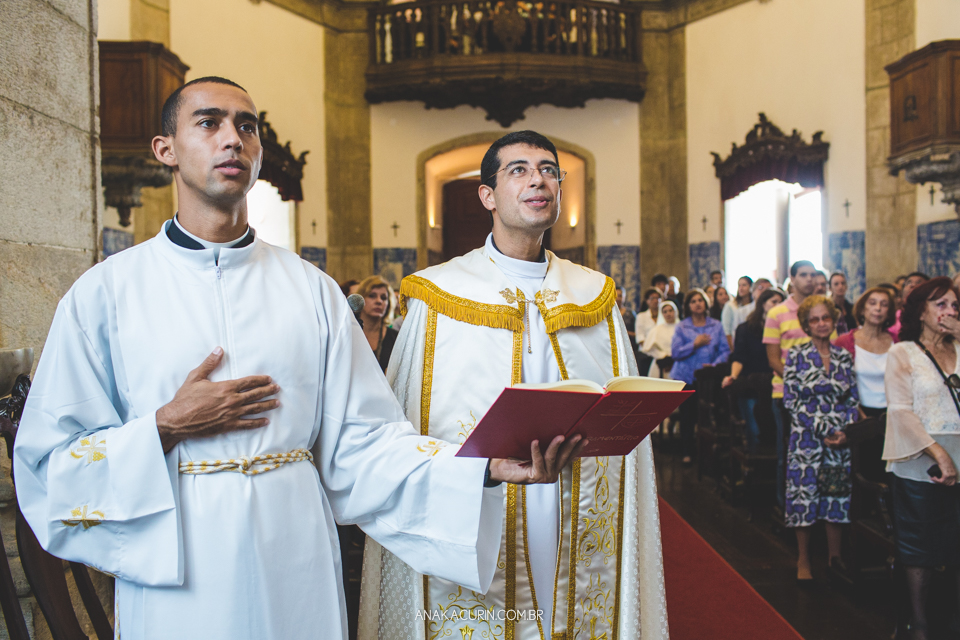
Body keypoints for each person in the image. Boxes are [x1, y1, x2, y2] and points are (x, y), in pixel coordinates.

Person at [12, 79, 580, 640]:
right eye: (209, 123)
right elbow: (49, 463)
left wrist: (477, 468)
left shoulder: (311, 291)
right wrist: (164, 426)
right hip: (180, 566)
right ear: (166, 150)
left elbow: (366, 443)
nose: (232, 139)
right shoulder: (105, 294)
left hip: (295, 556)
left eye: (247, 127)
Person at [359, 131, 668, 640]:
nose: (537, 179)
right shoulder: (439, 295)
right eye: (518, 170)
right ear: (488, 195)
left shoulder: (593, 294)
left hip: (576, 498)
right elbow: (403, 422)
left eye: (548, 169)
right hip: (483, 502)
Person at [882, 277, 960, 640]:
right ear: (921, 311)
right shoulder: (903, 352)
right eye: (940, 304)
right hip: (920, 458)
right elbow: (901, 413)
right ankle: (918, 623)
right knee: (919, 545)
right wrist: (940, 453)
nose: (950, 310)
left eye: (954, 304)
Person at [783, 295, 860, 582]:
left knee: (836, 496)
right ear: (806, 324)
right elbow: (790, 401)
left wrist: (844, 431)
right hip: (807, 438)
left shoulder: (842, 356)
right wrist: (822, 430)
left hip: (839, 439)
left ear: (834, 320)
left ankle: (834, 558)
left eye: (825, 318)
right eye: (814, 319)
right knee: (804, 496)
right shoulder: (796, 355)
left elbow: (853, 398)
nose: (821, 324)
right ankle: (803, 558)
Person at [764, 260, 821, 508]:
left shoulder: (821, 310)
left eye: (812, 275)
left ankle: (814, 504)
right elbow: (774, 360)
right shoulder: (777, 313)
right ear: (793, 278)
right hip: (786, 392)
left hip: (820, 393)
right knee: (788, 452)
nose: (809, 279)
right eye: (804, 275)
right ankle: (786, 505)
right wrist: (801, 382)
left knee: (817, 453)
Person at [671, 289, 731, 465]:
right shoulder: (682, 326)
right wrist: (694, 344)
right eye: (693, 301)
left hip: (709, 379)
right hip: (686, 377)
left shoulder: (716, 325)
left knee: (708, 416)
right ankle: (687, 452)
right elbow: (675, 353)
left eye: (700, 300)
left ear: (706, 304)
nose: (697, 303)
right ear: (688, 306)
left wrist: (714, 365)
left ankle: (708, 455)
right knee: (687, 416)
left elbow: (725, 351)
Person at [723, 288, 786, 452]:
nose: (778, 306)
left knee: (779, 432)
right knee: (755, 431)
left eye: (781, 302)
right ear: (762, 304)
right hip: (751, 386)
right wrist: (733, 376)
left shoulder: (784, 329)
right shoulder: (746, 328)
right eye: (774, 302)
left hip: (777, 384)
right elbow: (739, 357)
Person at [832, 287, 897, 419]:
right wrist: (860, 416)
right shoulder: (844, 342)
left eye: (884, 305)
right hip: (858, 415)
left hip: (893, 413)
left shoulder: (898, 341)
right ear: (862, 309)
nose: (878, 308)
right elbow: (838, 385)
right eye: (872, 303)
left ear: (889, 312)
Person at [356, 275, 399, 372]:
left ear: (389, 304)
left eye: (383, 298)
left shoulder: (396, 338)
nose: (379, 301)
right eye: (372, 296)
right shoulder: (348, 334)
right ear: (361, 300)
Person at [642, 300, 679, 379]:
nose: (668, 314)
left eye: (670, 310)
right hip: (660, 365)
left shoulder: (681, 328)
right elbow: (650, 348)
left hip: (678, 364)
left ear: (675, 311)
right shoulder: (656, 329)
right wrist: (663, 356)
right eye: (665, 312)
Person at [889, 272, 930, 337]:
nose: (912, 285)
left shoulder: (931, 319)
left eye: (919, 283)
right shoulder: (891, 318)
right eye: (908, 283)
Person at [634, 287, 663, 375]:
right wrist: (652, 350)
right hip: (647, 353)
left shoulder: (664, 316)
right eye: (652, 298)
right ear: (647, 301)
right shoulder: (641, 316)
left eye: (658, 298)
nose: (655, 301)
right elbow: (640, 338)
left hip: (663, 352)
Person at [721, 276, 754, 349]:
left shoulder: (754, 306)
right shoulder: (730, 305)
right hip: (736, 342)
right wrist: (732, 348)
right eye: (739, 285)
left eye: (744, 285)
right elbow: (727, 330)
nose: (741, 288)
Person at [616, 283, 638, 353]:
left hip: (629, 347)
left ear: (624, 297)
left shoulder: (630, 313)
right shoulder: (607, 313)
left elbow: (638, 334)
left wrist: (625, 333)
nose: (617, 298)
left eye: (620, 296)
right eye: (615, 295)